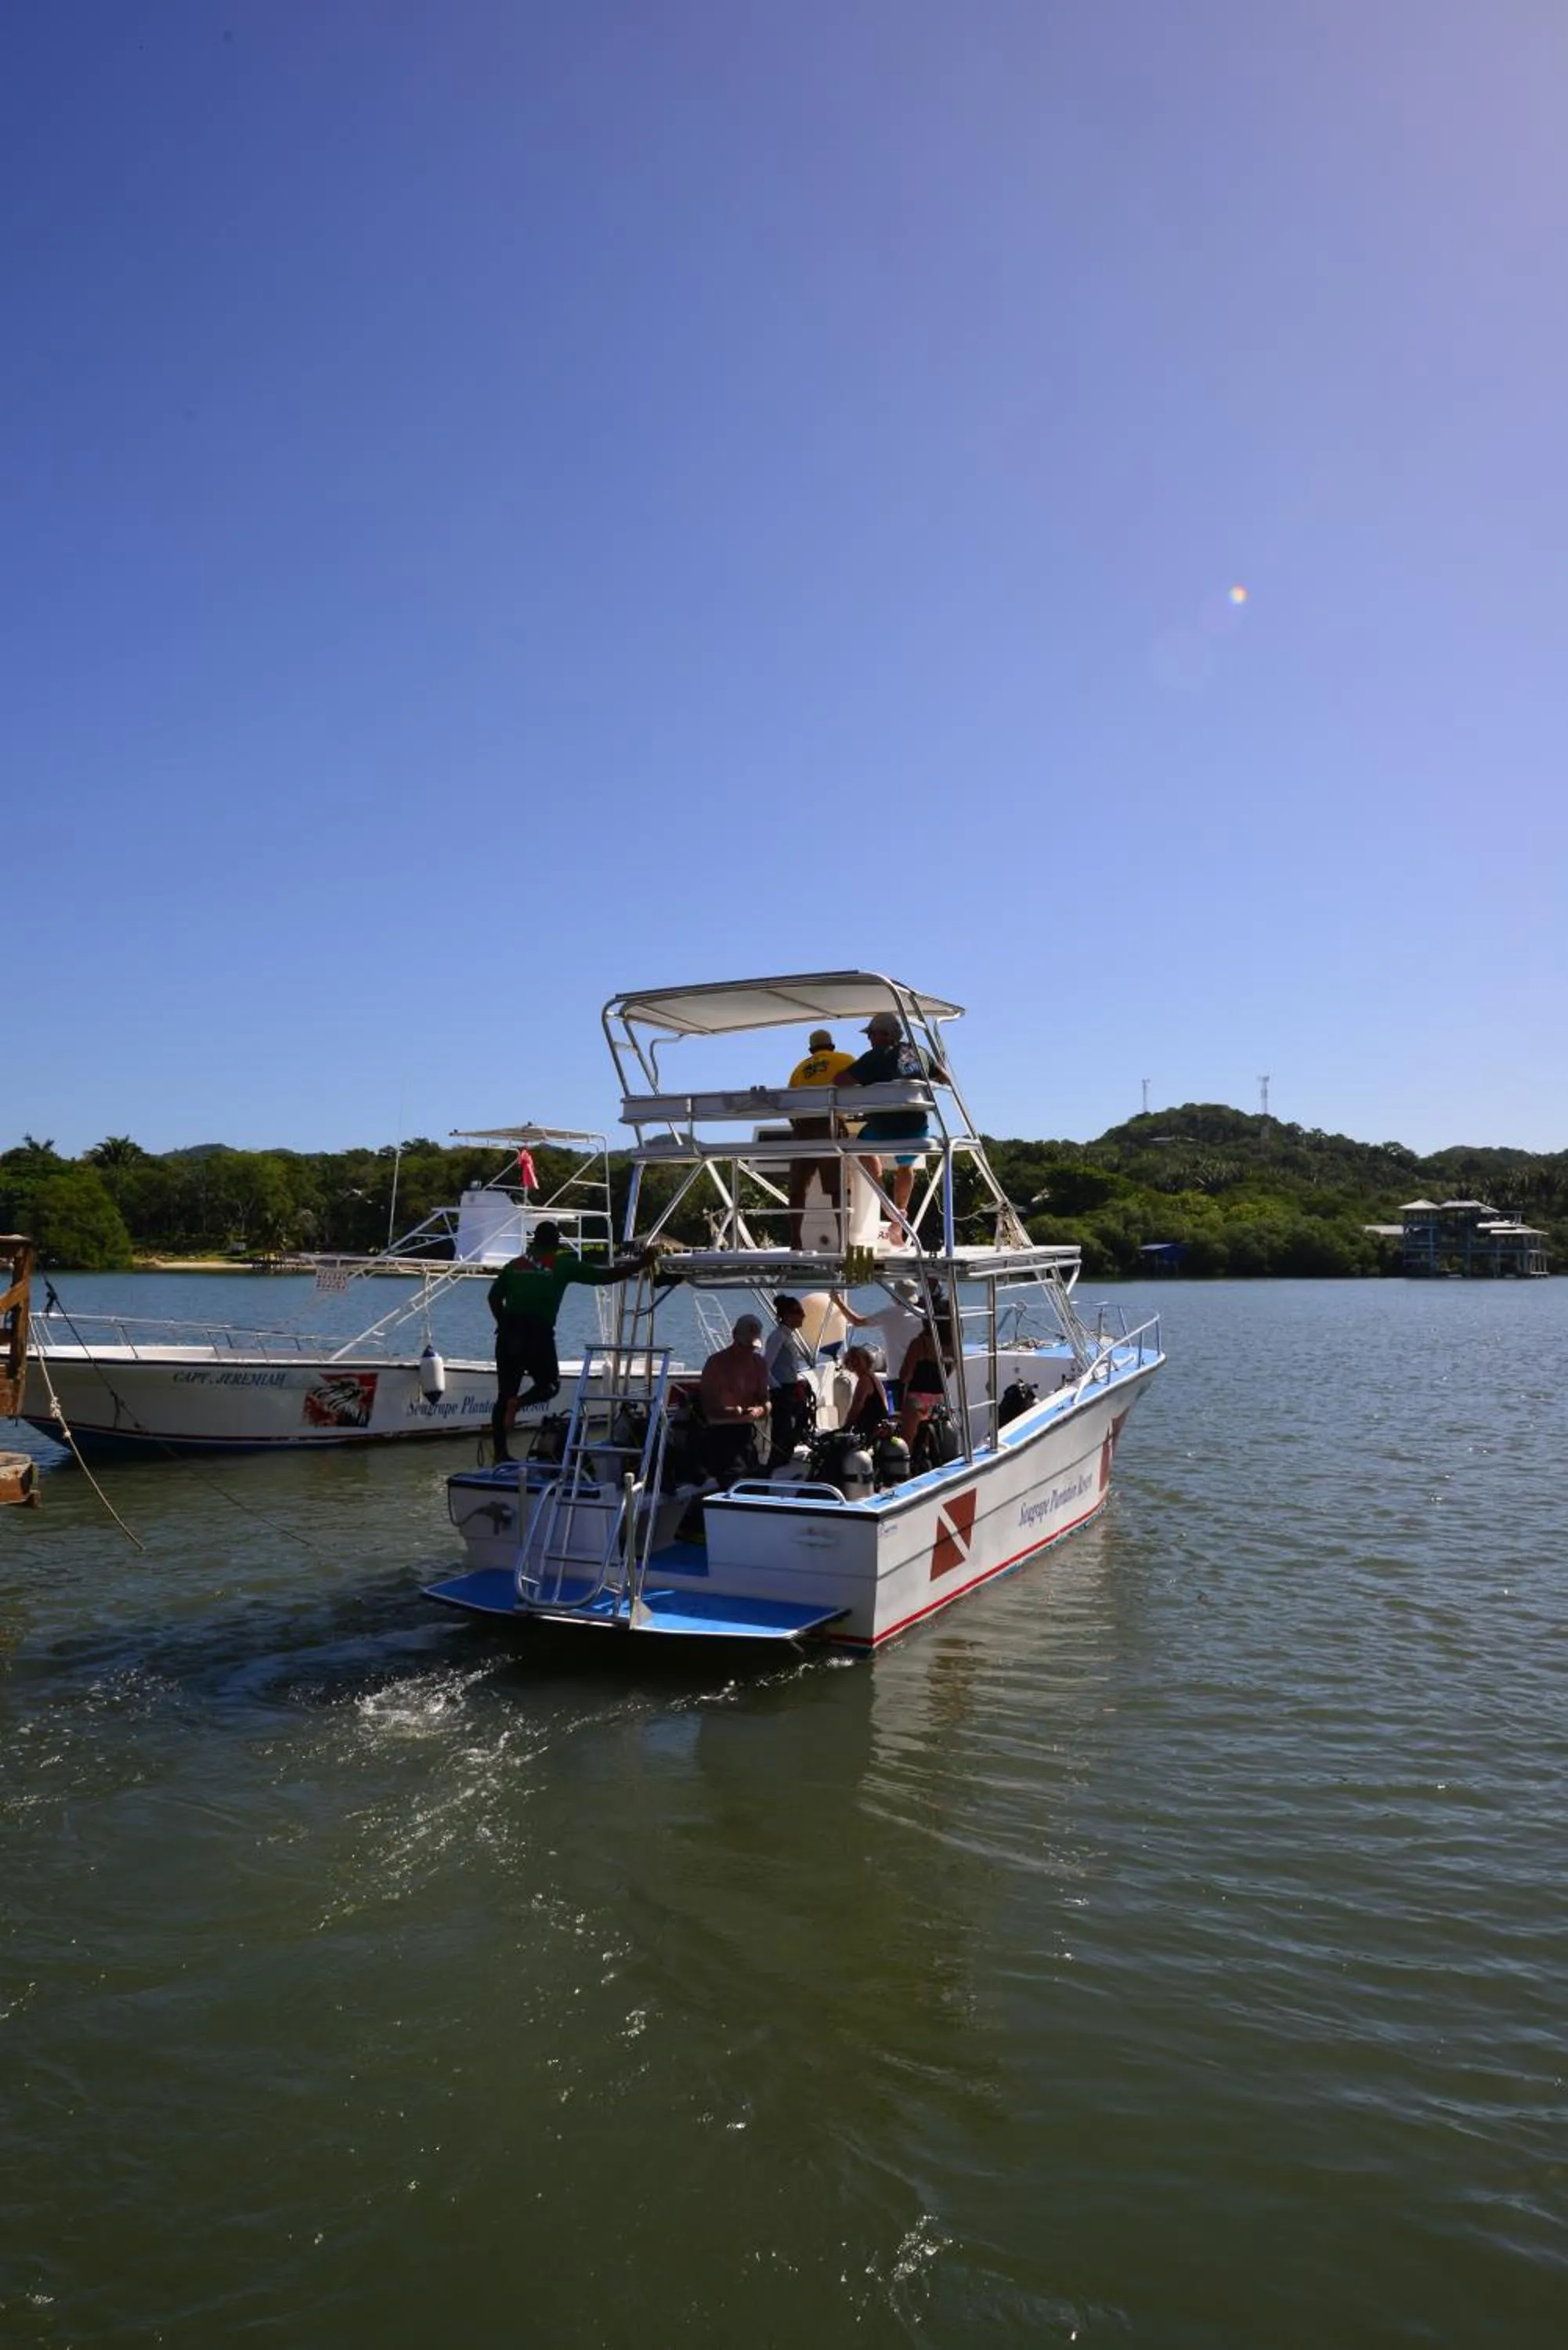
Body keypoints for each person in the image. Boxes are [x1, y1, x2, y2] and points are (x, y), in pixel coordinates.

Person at [487, 1220, 649, 1462]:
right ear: (556, 1243)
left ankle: (500, 1454)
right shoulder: (561, 1265)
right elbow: (605, 1277)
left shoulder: (514, 1265)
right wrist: (641, 1264)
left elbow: (493, 1297)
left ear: (534, 1241)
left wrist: (503, 1324)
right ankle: (518, 1403)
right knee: (550, 1385)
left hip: (508, 1335)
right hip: (537, 1334)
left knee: (503, 1394)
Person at [837, 1012, 945, 1220]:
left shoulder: (875, 1057)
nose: (869, 1039)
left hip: (882, 1130)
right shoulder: (918, 1052)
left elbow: (840, 1080)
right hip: (916, 1130)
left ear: (884, 1035)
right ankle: (900, 1216)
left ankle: (887, 1205)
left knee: (863, 1147)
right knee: (905, 1165)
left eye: (871, 1034)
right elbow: (944, 1078)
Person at [785, 1027, 854, 1250]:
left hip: (803, 1128)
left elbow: (789, 1104)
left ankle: (796, 1241)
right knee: (839, 1188)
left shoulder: (800, 1068)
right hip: (831, 1125)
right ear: (832, 1046)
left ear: (811, 1050)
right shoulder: (844, 1059)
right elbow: (860, 1085)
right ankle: (844, 1241)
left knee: (797, 1189)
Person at [697, 1312, 770, 1485]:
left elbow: (765, 1400)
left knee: (759, 1480)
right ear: (734, 1336)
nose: (748, 1351)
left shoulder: (759, 1363)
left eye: (752, 1346)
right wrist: (731, 1412)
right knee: (734, 1478)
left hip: (746, 1433)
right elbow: (706, 1407)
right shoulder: (716, 1363)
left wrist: (760, 1410)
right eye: (745, 1345)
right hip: (721, 1434)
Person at [832, 1279, 925, 1391]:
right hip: (919, 1375)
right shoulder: (922, 1315)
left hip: (897, 1375)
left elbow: (857, 1322)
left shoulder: (889, 1314)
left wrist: (838, 1301)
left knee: (900, 1408)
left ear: (895, 1295)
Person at [764, 1293, 816, 1462]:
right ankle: (777, 1463)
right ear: (787, 1315)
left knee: (798, 1424)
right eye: (798, 1312)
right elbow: (765, 1367)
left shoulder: (787, 1336)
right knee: (782, 1431)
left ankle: (785, 1458)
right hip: (782, 1391)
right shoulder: (778, 1336)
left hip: (791, 1388)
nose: (803, 1316)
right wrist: (777, 1389)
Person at [898, 1311, 954, 1451]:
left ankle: (909, 1469)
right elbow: (948, 1373)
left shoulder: (919, 1343)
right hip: (939, 1401)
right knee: (933, 1444)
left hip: (916, 1400)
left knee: (906, 1447)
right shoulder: (953, 1346)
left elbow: (905, 1376)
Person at [841, 1345, 890, 1441]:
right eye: (852, 1359)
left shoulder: (864, 1381)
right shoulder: (872, 1377)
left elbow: (855, 1409)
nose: (855, 1362)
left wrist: (845, 1429)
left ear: (866, 1361)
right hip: (879, 1424)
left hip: (871, 1429)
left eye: (858, 1359)